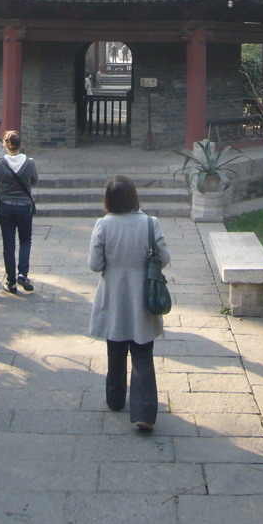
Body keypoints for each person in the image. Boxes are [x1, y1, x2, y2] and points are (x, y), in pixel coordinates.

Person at [88, 175, 171, 432]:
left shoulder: (103, 225)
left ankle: (115, 400)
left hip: (114, 295)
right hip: (143, 296)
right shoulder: (150, 223)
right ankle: (144, 411)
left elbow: (95, 265)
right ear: (135, 197)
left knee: (115, 348)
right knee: (143, 352)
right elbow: (164, 257)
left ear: (108, 200)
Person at [0, 130, 38, 294]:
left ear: (5, 145)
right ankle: (23, 274)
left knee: (8, 243)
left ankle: (10, 280)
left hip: (6, 206)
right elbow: (34, 180)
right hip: (24, 206)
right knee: (25, 240)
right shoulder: (30, 163)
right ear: (21, 144)